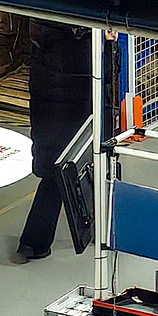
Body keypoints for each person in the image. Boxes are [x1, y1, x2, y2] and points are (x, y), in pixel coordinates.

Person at [14, 22, 95, 263]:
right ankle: (104, 228)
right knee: (82, 159)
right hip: (77, 87)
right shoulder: (79, 38)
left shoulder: (44, 17)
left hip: (44, 83)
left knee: (54, 162)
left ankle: (34, 241)